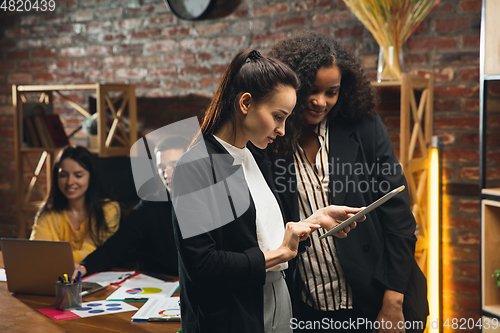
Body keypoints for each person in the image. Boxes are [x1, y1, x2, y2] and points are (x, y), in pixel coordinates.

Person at [170, 48, 365, 333]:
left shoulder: (256, 156)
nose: (282, 130)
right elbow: (202, 266)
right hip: (231, 313)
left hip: (277, 296)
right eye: (278, 116)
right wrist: (280, 255)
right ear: (246, 103)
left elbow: (263, 237)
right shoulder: (196, 167)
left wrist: (315, 220)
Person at [268, 32, 429, 333]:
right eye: (311, 91)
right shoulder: (272, 140)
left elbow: (399, 220)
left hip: (376, 299)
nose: (320, 102)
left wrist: (392, 303)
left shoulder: (365, 128)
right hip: (308, 307)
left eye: (332, 92)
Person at [77, 136, 189, 277]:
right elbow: (116, 246)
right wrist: (84, 267)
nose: (167, 173)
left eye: (174, 165)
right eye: (161, 167)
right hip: (159, 288)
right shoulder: (150, 205)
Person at [30, 146, 120, 264]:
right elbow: (36, 252)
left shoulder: (108, 210)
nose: (69, 182)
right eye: (63, 175)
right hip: (54, 277)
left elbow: (91, 252)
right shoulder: (48, 212)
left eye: (78, 175)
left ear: (91, 177)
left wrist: (52, 259)